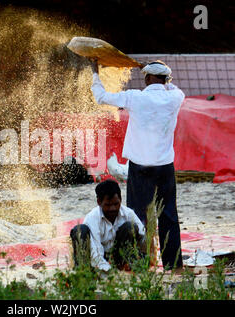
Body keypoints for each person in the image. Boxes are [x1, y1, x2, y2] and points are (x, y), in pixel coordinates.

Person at [89, 59, 185, 270]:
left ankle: (139, 263)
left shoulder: (135, 97)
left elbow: (101, 97)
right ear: (165, 79)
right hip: (165, 165)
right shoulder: (175, 98)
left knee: (136, 215)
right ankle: (173, 264)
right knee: (168, 214)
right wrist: (158, 76)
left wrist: (95, 72)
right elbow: (173, 87)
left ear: (148, 78)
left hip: (140, 166)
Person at [70, 179, 146, 272]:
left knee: (130, 227)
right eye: (108, 205)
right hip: (97, 257)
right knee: (80, 230)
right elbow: (96, 252)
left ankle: (126, 264)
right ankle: (83, 270)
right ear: (99, 202)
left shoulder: (128, 213)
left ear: (120, 200)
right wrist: (108, 271)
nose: (113, 208)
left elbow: (143, 237)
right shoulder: (92, 218)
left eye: (116, 204)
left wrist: (144, 258)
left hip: (118, 255)